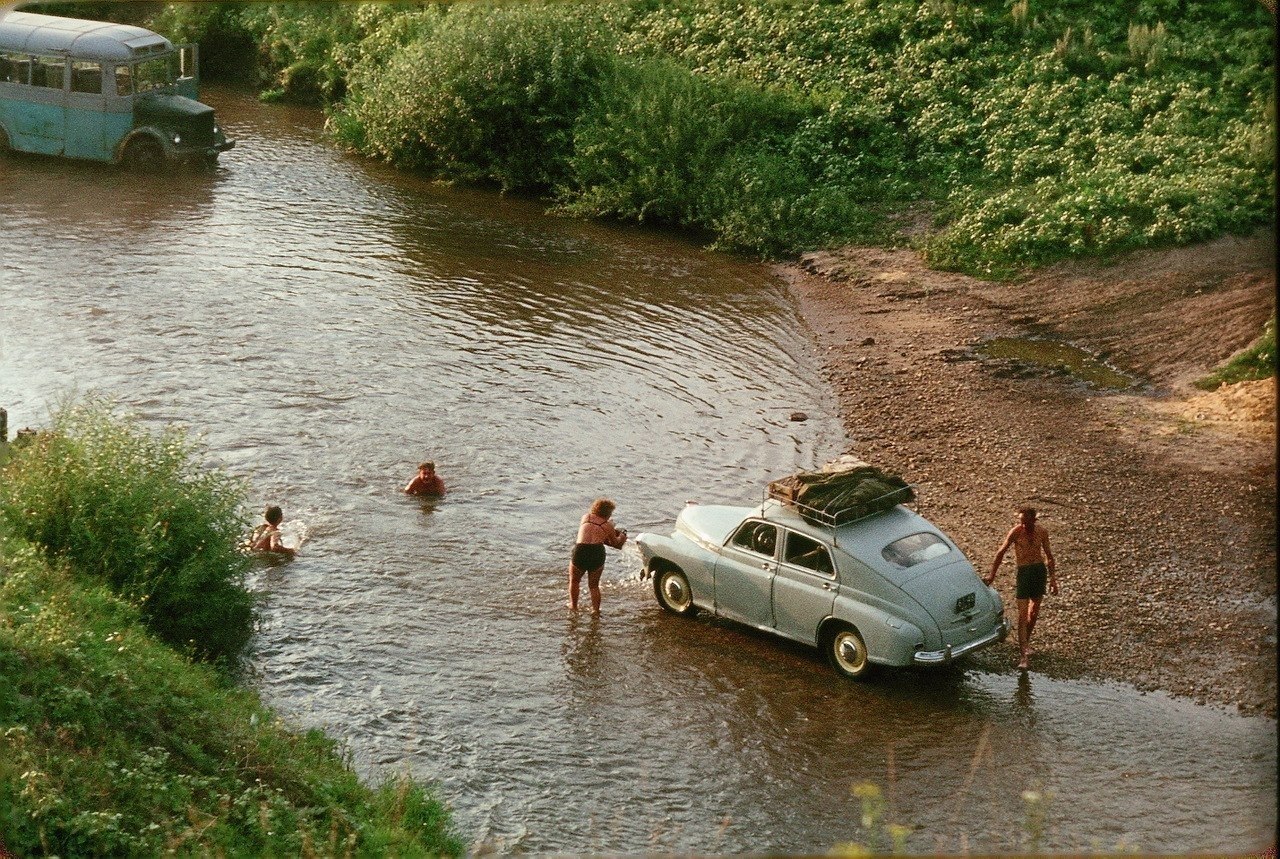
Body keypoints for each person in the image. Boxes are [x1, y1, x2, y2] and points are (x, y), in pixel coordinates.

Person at [985, 506, 1057, 670]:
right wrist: (992, 575)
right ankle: (1023, 655)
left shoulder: (1042, 532)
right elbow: (1001, 552)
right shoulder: (1016, 532)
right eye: (1021, 521)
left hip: (1038, 571)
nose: (1023, 525)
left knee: (1034, 611)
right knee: (1022, 614)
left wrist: (1053, 579)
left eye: (1026, 522)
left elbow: (1049, 556)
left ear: (1034, 520)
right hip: (1024, 572)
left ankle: (1026, 642)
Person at [569, 498, 627, 614]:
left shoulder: (586, 517)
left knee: (574, 581)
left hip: (581, 551)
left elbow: (593, 530)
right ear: (608, 513)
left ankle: (574, 607)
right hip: (596, 553)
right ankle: (595, 611)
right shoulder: (608, 526)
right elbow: (615, 543)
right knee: (594, 586)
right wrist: (622, 535)